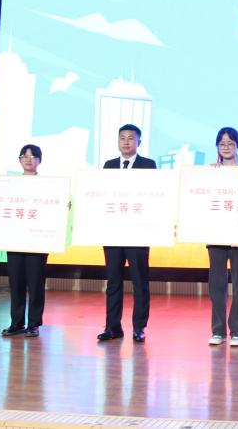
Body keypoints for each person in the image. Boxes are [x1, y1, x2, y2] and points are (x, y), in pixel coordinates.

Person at [98, 124, 156, 343]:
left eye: (131, 138)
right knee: (113, 281)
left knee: (139, 281)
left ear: (139, 142)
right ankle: (112, 326)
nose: (126, 142)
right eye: (122, 138)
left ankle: (139, 327)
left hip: (138, 233)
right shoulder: (109, 166)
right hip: (113, 232)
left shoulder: (148, 165)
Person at [207, 127, 238, 347]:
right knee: (216, 285)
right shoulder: (211, 173)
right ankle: (218, 331)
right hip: (216, 236)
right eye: (222, 144)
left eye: (230, 143)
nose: (226, 147)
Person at [1, 144, 48, 339]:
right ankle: (17, 323)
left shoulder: (49, 186)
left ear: (39, 160)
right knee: (16, 283)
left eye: (33, 156)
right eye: (24, 156)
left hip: (38, 240)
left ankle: (34, 324)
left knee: (36, 284)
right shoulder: (10, 184)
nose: (29, 159)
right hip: (15, 239)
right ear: (19, 160)